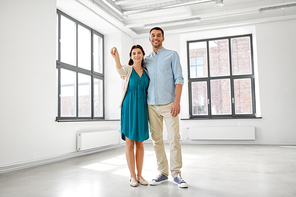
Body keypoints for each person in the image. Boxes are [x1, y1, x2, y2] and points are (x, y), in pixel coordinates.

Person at [145, 27, 188, 188]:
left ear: (163, 38)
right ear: (149, 39)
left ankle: (176, 174)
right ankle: (163, 173)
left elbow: (179, 79)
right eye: (153, 36)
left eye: (158, 35)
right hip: (151, 105)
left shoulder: (172, 55)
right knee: (156, 141)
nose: (155, 38)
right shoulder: (146, 59)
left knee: (174, 139)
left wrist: (177, 101)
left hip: (170, 104)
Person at [110, 45, 150, 187]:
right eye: (134, 53)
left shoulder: (146, 72)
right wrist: (117, 59)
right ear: (131, 56)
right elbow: (119, 70)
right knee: (129, 142)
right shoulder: (128, 70)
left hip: (142, 109)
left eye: (139, 53)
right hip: (129, 108)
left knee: (140, 143)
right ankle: (132, 176)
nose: (136, 55)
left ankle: (140, 174)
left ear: (143, 55)